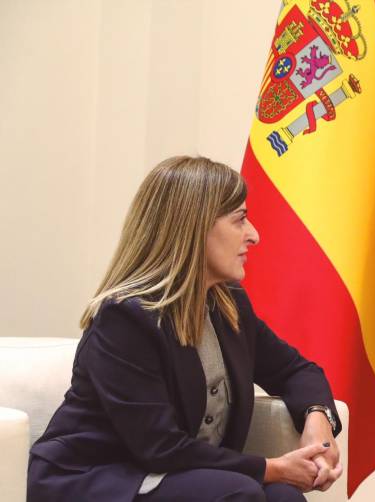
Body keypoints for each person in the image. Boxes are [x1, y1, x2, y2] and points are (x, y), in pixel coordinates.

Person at [28, 156, 343, 501]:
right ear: (195, 228)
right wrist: (273, 468)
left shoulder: (229, 305)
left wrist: (318, 422)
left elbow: (296, 370)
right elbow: (160, 447)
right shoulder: (124, 318)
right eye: (240, 219)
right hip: (97, 477)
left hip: (180, 475)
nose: (254, 235)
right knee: (240, 491)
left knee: (284, 497)